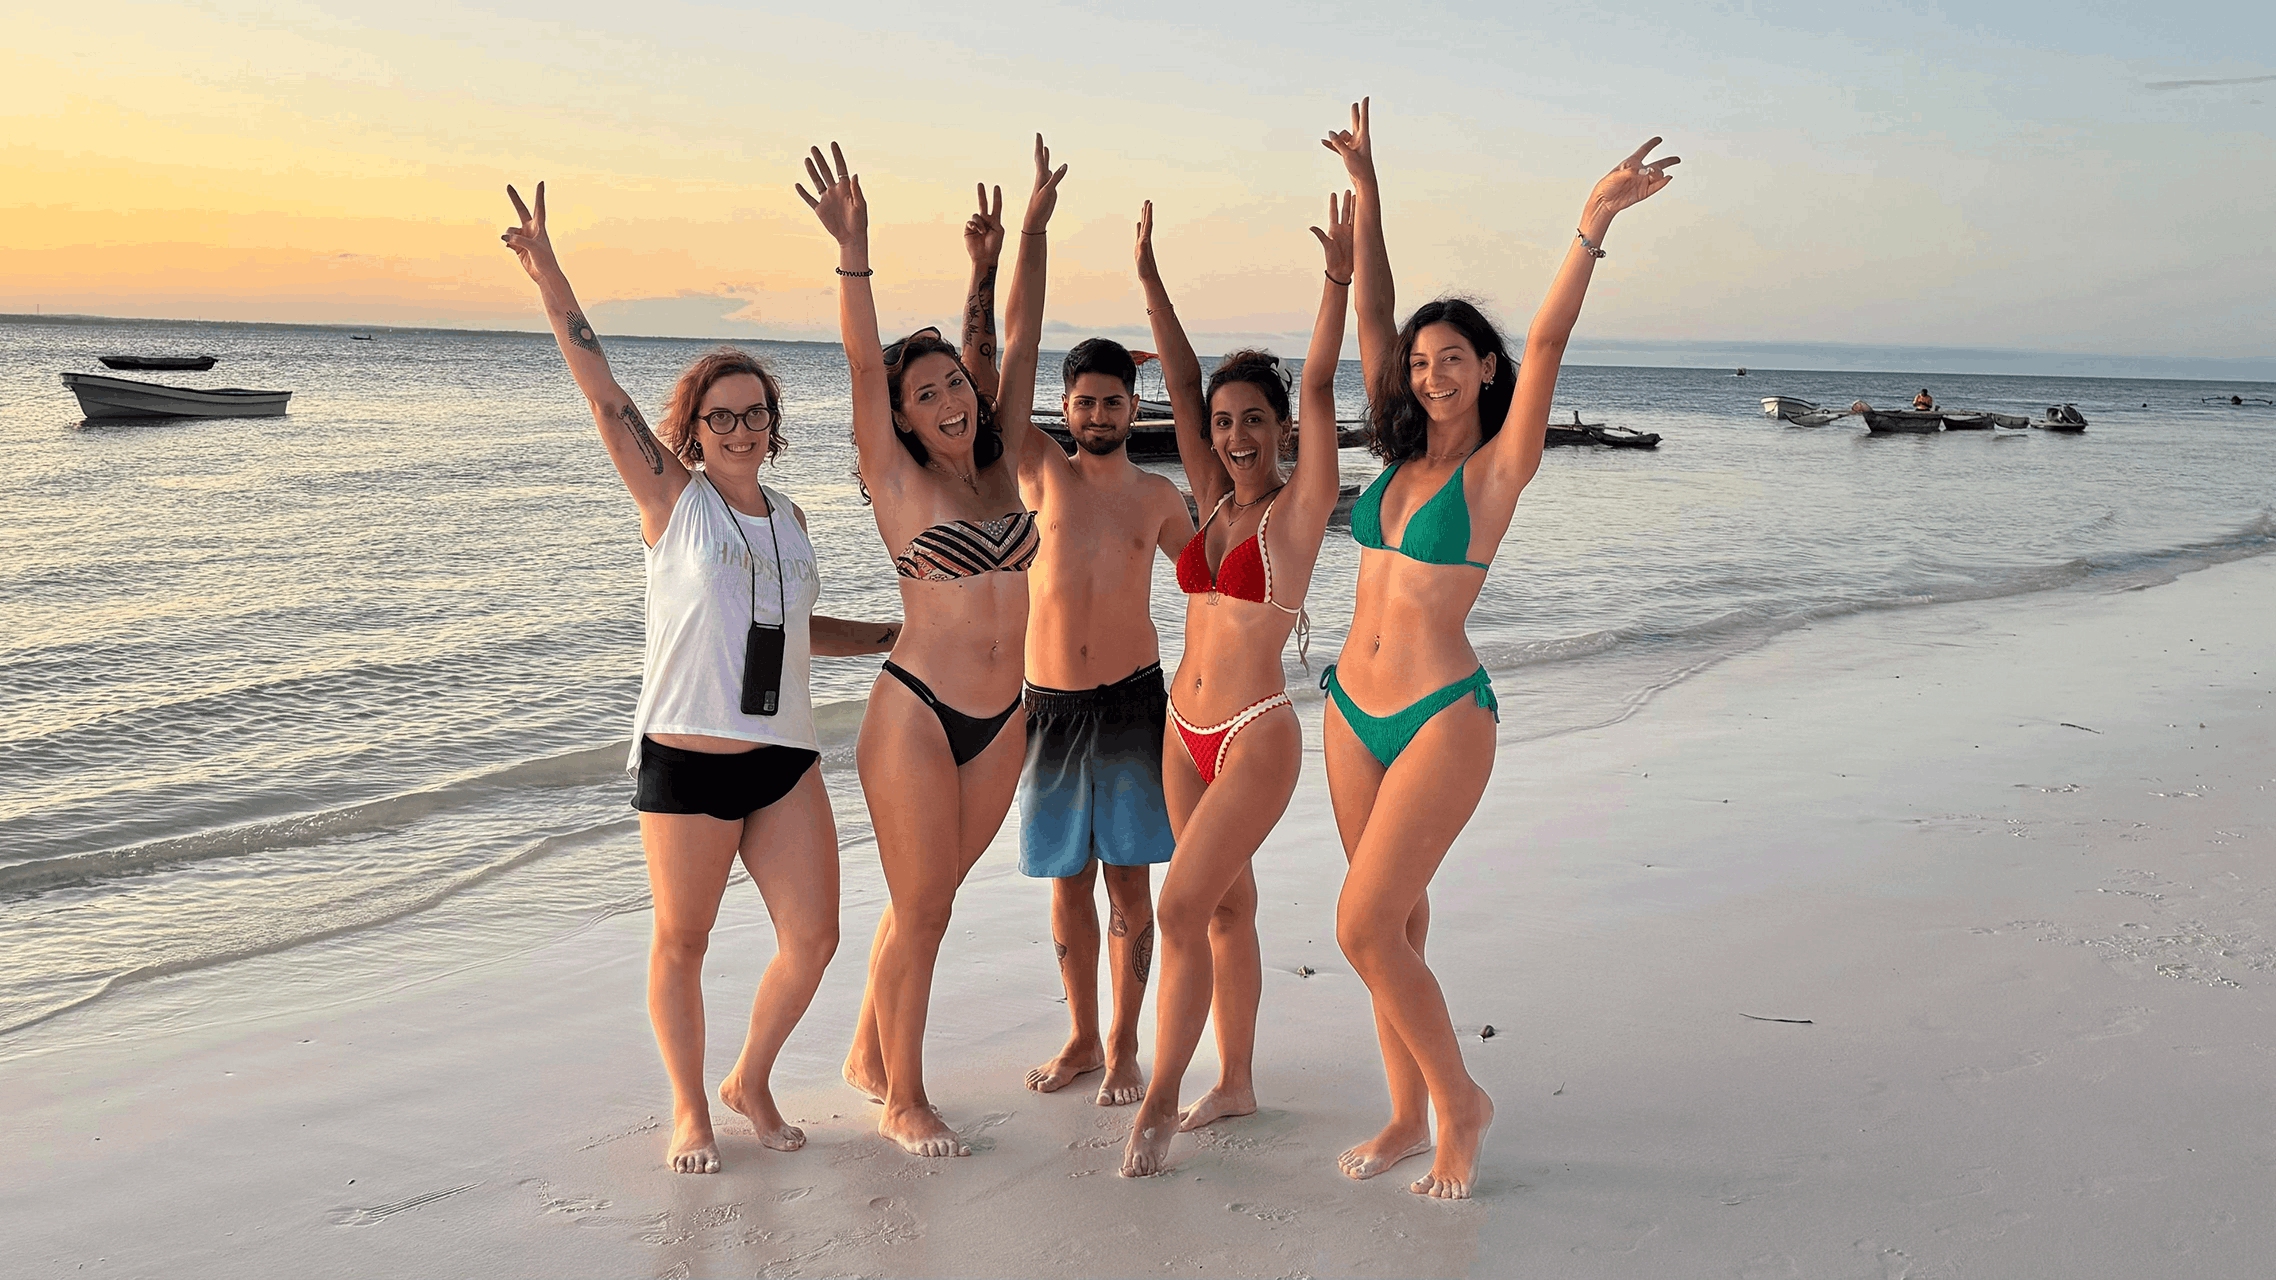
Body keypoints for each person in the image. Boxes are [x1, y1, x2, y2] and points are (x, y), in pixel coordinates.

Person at [500, 181, 898, 1175]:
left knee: (813, 938)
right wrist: (550, 274)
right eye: (722, 415)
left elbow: (797, 632)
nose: (741, 427)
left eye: (755, 412)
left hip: (783, 760)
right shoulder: (671, 503)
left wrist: (900, 631)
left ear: (772, 422)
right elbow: (601, 389)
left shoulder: (792, 520)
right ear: (693, 426)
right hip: (686, 755)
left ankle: (749, 1076)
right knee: (682, 941)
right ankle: (690, 1107)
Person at [1319, 99, 1677, 1199]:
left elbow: (1549, 339)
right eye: (1419, 361)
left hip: (1438, 714)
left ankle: (1460, 1103)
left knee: (1362, 926)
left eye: (1450, 359)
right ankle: (1402, 1110)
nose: (1427, 372)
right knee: (1397, 923)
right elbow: (1374, 310)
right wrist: (1371, 187)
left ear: (1481, 369)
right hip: (1345, 705)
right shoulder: (1396, 458)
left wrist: (1589, 222)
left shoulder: (1495, 470)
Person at [798, 137, 1070, 1156]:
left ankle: (872, 1051)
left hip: (1002, 717)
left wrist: (1025, 233)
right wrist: (853, 252)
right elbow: (863, 361)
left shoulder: (998, 468)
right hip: (914, 710)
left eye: (955, 383)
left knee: (930, 898)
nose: (950, 400)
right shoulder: (896, 478)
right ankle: (901, 1095)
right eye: (926, 396)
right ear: (900, 421)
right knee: (921, 909)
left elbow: (1024, 330)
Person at [1119, 193, 1354, 1177]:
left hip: (1255, 731)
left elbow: (1312, 383)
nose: (1233, 433)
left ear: (1282, 431)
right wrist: (1147, 278)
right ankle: (1237, 1076)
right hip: (1181, 728)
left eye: (1253, 420)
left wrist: (1335, 282)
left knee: (1178, 910)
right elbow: (1176, 379)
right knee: (1222, 910)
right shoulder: (1208, 502)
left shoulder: (1296, 511)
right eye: (1222, 422)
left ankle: (1163, 1094)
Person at [956, 191, 1196, 1108]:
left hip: (1135, 703)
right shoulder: (1040, 470)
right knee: (1065, 886)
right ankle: (1082, 1038)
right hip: (1048, 705)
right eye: (1083, 399)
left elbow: (1220, 584)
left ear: (1133, 406)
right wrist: (1023, 241)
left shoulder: (1157, 498)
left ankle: (1131, 1045)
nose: (1097, 411)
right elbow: (998, 366)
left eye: (1112, 399)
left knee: (1130, 884)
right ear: (1063, 405)